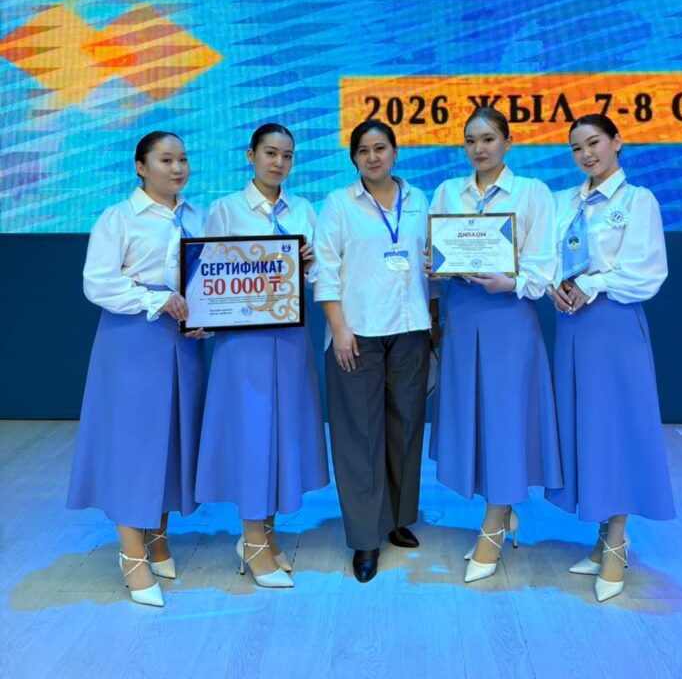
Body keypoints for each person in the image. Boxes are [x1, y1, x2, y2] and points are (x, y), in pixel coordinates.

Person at [67, 131, 207, 608]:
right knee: (133, 446)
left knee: (171, 441)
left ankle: (158, 538)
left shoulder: (196, 216)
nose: (177, 168)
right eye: (166, 160)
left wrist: (204, 317)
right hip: (132, 340)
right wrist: (156, 300)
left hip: (182, 343)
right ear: (140, 167)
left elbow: (206, 278)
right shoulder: (118, 218)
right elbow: (97, 283)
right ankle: (131, 556)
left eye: (182, 159)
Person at [428, 107, 562, 583]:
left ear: (508, 141)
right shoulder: (448, 192)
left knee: (505, 420)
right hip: (463, 317)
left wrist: (512, 281)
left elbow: (544, 264)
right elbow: (436, 256)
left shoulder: (533, 192)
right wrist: (434, 263)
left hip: (510, 317)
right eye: (470, 140)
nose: (479, 148)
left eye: (487, 138)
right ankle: (501, 511)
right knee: (476, 419)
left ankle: (493, 525)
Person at [545, 113, 675, 602]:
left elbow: (645, 271)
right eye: (576, 148)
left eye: (595, 143)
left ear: (617, 142)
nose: (586, 154)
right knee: (588, 430)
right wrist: (553, 286)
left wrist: (591, 283)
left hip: (613, 325)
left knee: (616, 430)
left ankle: (617, 543)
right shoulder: (564, 202)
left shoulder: (638, 201)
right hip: (571, 326)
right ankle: (602, 538)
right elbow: (547, 257)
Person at [195, 124, 329, 589]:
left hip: (290, 338)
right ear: (250, 155)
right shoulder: (225, 209)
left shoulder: (304, 210)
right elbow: (208, 273)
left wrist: (308, 263)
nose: (279, 163)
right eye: (270, 153)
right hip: (244, 342)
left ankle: (265, 533)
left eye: (287, 155)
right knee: (251, 436)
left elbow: (318, 277)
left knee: (280, 434)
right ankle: (253, 539)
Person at [314, 120, 435, 583]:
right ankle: (366, 537)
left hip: (411, 328)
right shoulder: (339, 203)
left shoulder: (419, 200)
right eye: (363, 151)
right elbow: (325, 268)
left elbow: (431, 263)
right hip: (357, 332)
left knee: (405, 430)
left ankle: (397, 518)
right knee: (359, 436)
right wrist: (338, 328)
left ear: (395, 152)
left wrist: (434, 322)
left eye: (380, 148)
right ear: (353, 159)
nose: (372, 157)